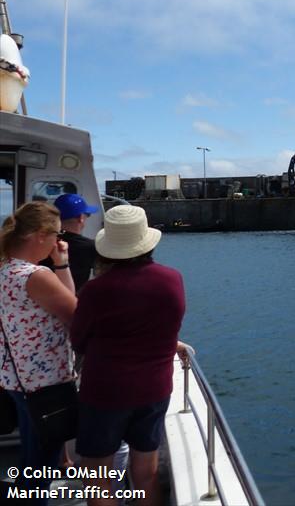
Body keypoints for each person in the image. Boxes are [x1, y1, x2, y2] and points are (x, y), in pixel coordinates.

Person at [71, 205, 185, 506]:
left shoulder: (96, 290)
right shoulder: (172, 279)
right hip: (155, 389)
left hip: (105, 392)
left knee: (96, 474)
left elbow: (78, 341)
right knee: (145, 470)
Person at [0, 202, 77, 505]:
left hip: (18, 381)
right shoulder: (35, 276)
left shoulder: (6, 270)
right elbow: (78, 315)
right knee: (40, 467)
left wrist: (62, 263)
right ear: (39, 235)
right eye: (57, 236)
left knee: (33, 459)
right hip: (48, 384)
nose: (60, 242)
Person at [41, 193, 99, 293]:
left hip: (41, 299)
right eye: (87, 215)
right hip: (71, 301)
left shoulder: (42, 242)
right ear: (81, 218)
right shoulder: (91, 247)